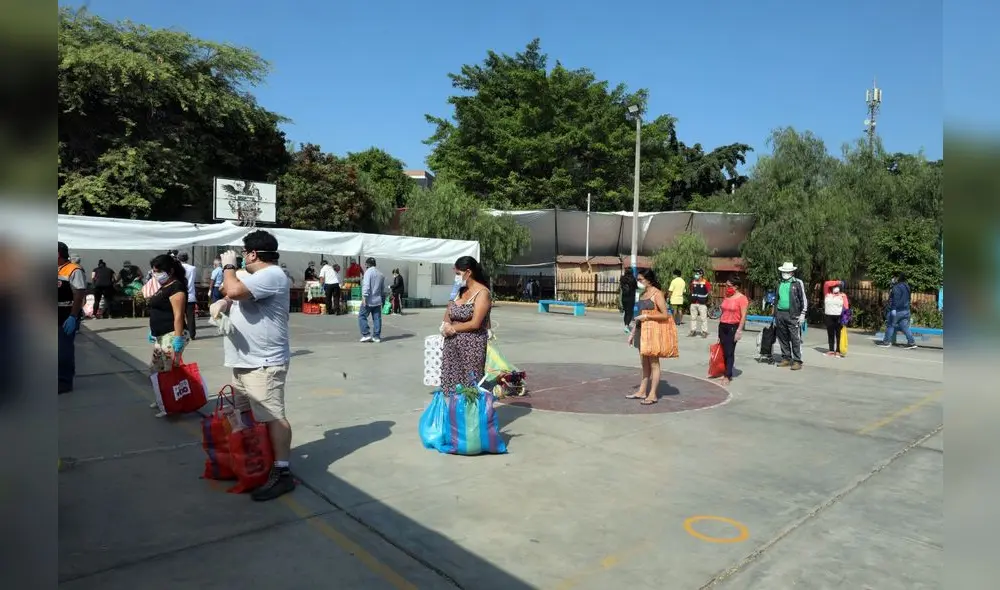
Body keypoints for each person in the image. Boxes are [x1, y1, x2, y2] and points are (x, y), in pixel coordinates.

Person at [219, 230, 295, 501]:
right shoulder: (256, 276)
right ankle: (257, 461)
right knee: (247, 416)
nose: (240, 260)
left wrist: (229, 268)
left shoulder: (273, 274)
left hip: (264, 362)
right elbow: (229, 291)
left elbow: (235, 288)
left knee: (273, 416)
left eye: (242, 254)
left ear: (252, 254)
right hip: (244, 361)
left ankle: (282, 472)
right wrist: (224, 300)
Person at [145, 254, 190, 415]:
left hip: (172, 334)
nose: (155, 274)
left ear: (170, 271)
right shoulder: (163, 286)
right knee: (156, 369)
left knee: (169, 371)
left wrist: (178, 338)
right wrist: (153, 330)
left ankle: (171, 403)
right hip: (161, 334)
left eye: (158, 271)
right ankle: (162, 398)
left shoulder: (176, 287)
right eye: (154, 271)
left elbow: (178, 315)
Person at [440, 256, 492, 392]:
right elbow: (449, 314)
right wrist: (445, 325)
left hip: (471, 348)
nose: (456, 277)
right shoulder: (459, 291)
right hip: (451, 347)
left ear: (468, 273)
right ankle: (455, 413)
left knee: (470, 388)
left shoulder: (482, 293)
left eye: (458, 274)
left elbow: (475, 323)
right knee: (452, 387)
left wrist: (453, 328)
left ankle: (471, 414)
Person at [625, 268, 669, 406]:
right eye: (638, 280)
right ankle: (642, 391)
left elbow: (665, 314)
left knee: (654, 363)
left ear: (648, 280)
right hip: (640, 331)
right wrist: (632, 333)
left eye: (640, 280)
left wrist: (647, 316)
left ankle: (653, 394)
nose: (638, 282)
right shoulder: (643, 294)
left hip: (652, 332)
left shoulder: (657, 294)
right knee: (644, 363)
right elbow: (638, 315)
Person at [58, 242, 86, 394]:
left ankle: (64, 381)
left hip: (65, 313)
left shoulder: (74, 270)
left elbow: (79, 294)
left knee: (63, 350)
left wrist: (73, 316)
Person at [773, 262, 807, 370]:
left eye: (787, 272)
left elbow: (803, 299)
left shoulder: (797, 283)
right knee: (782, 337)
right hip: (780, 313)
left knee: (794, 338)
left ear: (792, 272)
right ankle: (786, 358)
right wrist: (775, 314)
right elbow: (777, 298)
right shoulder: (780, 283)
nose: (785, 274)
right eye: (783, 272)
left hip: (793, 314)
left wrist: (802, 314)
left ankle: (797, 360)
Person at [716, 278, 749, 386]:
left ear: (736, 287)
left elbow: (743, 316)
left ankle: (728, 375)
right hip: (723, 325)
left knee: (729, 351)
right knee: (723, 350)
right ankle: (725, 370)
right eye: (726, 285)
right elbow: (723, 311)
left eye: (729, 286)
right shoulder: (727, 296)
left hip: (733, 327)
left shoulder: (742, 299)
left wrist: (739, 330)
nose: (727, 288)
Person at [878, 272, 917, 349]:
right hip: (906, 310)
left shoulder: (896, 287)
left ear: (897, 278)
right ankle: (912, 342)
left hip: (897, 310)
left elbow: (894, 299)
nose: (893, 279)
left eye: (894, 277)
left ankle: (886, 342)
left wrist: (893, 309)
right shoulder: (907, 286)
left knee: (890, 325)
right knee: (904, 326)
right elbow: (908, 298)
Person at [359, 257, 386, 342]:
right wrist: (382, 299)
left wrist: (364, 296)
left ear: (367, 264)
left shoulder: (368, 272)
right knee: (377, 319)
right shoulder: (380, 274)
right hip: (377, 300)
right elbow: (382, 289)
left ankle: (366, 334)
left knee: (362, 316)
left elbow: (366, 285)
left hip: (368, 300)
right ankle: (376, 336)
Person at [823, 279, 849, 357]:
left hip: (838, 317)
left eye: (837, 287)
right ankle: (831, 350)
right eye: (834, 287)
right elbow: (826, 284)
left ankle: (838, 350)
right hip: (828, 316)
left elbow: (846, 307)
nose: (836, 288)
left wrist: (845, 319)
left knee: (838, 334)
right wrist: (837, 282)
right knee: (830, 334)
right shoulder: (827, 294)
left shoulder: (843, 296)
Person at [177, 252, 198, 340]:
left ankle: (181, 332)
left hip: (180, 294)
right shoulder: (193, 268)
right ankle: (192, 334)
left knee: (179, 315)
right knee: (190, 316)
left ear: (179, 259)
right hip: (190, 294)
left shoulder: (177, 268)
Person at [688, 268, 712, 338]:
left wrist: (709, 300)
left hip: (702, 303)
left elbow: (709, 292)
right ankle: (693, 331)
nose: (695, 275)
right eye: (695, 273)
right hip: (693, 302)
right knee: (693, 318)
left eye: (697, 273)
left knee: (703, 318)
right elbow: (691, 290)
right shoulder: (693, 282)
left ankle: (704, 332)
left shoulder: (705, 283)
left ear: (701, 274)